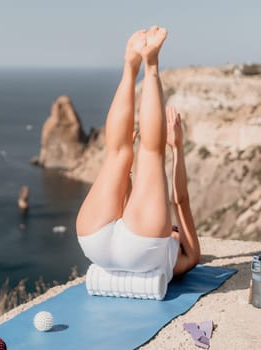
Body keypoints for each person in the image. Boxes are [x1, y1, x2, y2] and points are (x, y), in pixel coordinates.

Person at [76, 26, 200, 281]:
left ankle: (136, 67)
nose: (173, 229)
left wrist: (175, 149)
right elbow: (180, 202)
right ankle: (147, 65)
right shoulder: (186, 258)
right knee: (137, 152)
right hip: (98, 245)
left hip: (117, 241)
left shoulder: (183, 252)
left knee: (125, 152)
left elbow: (180, 201)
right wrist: (176, 148)